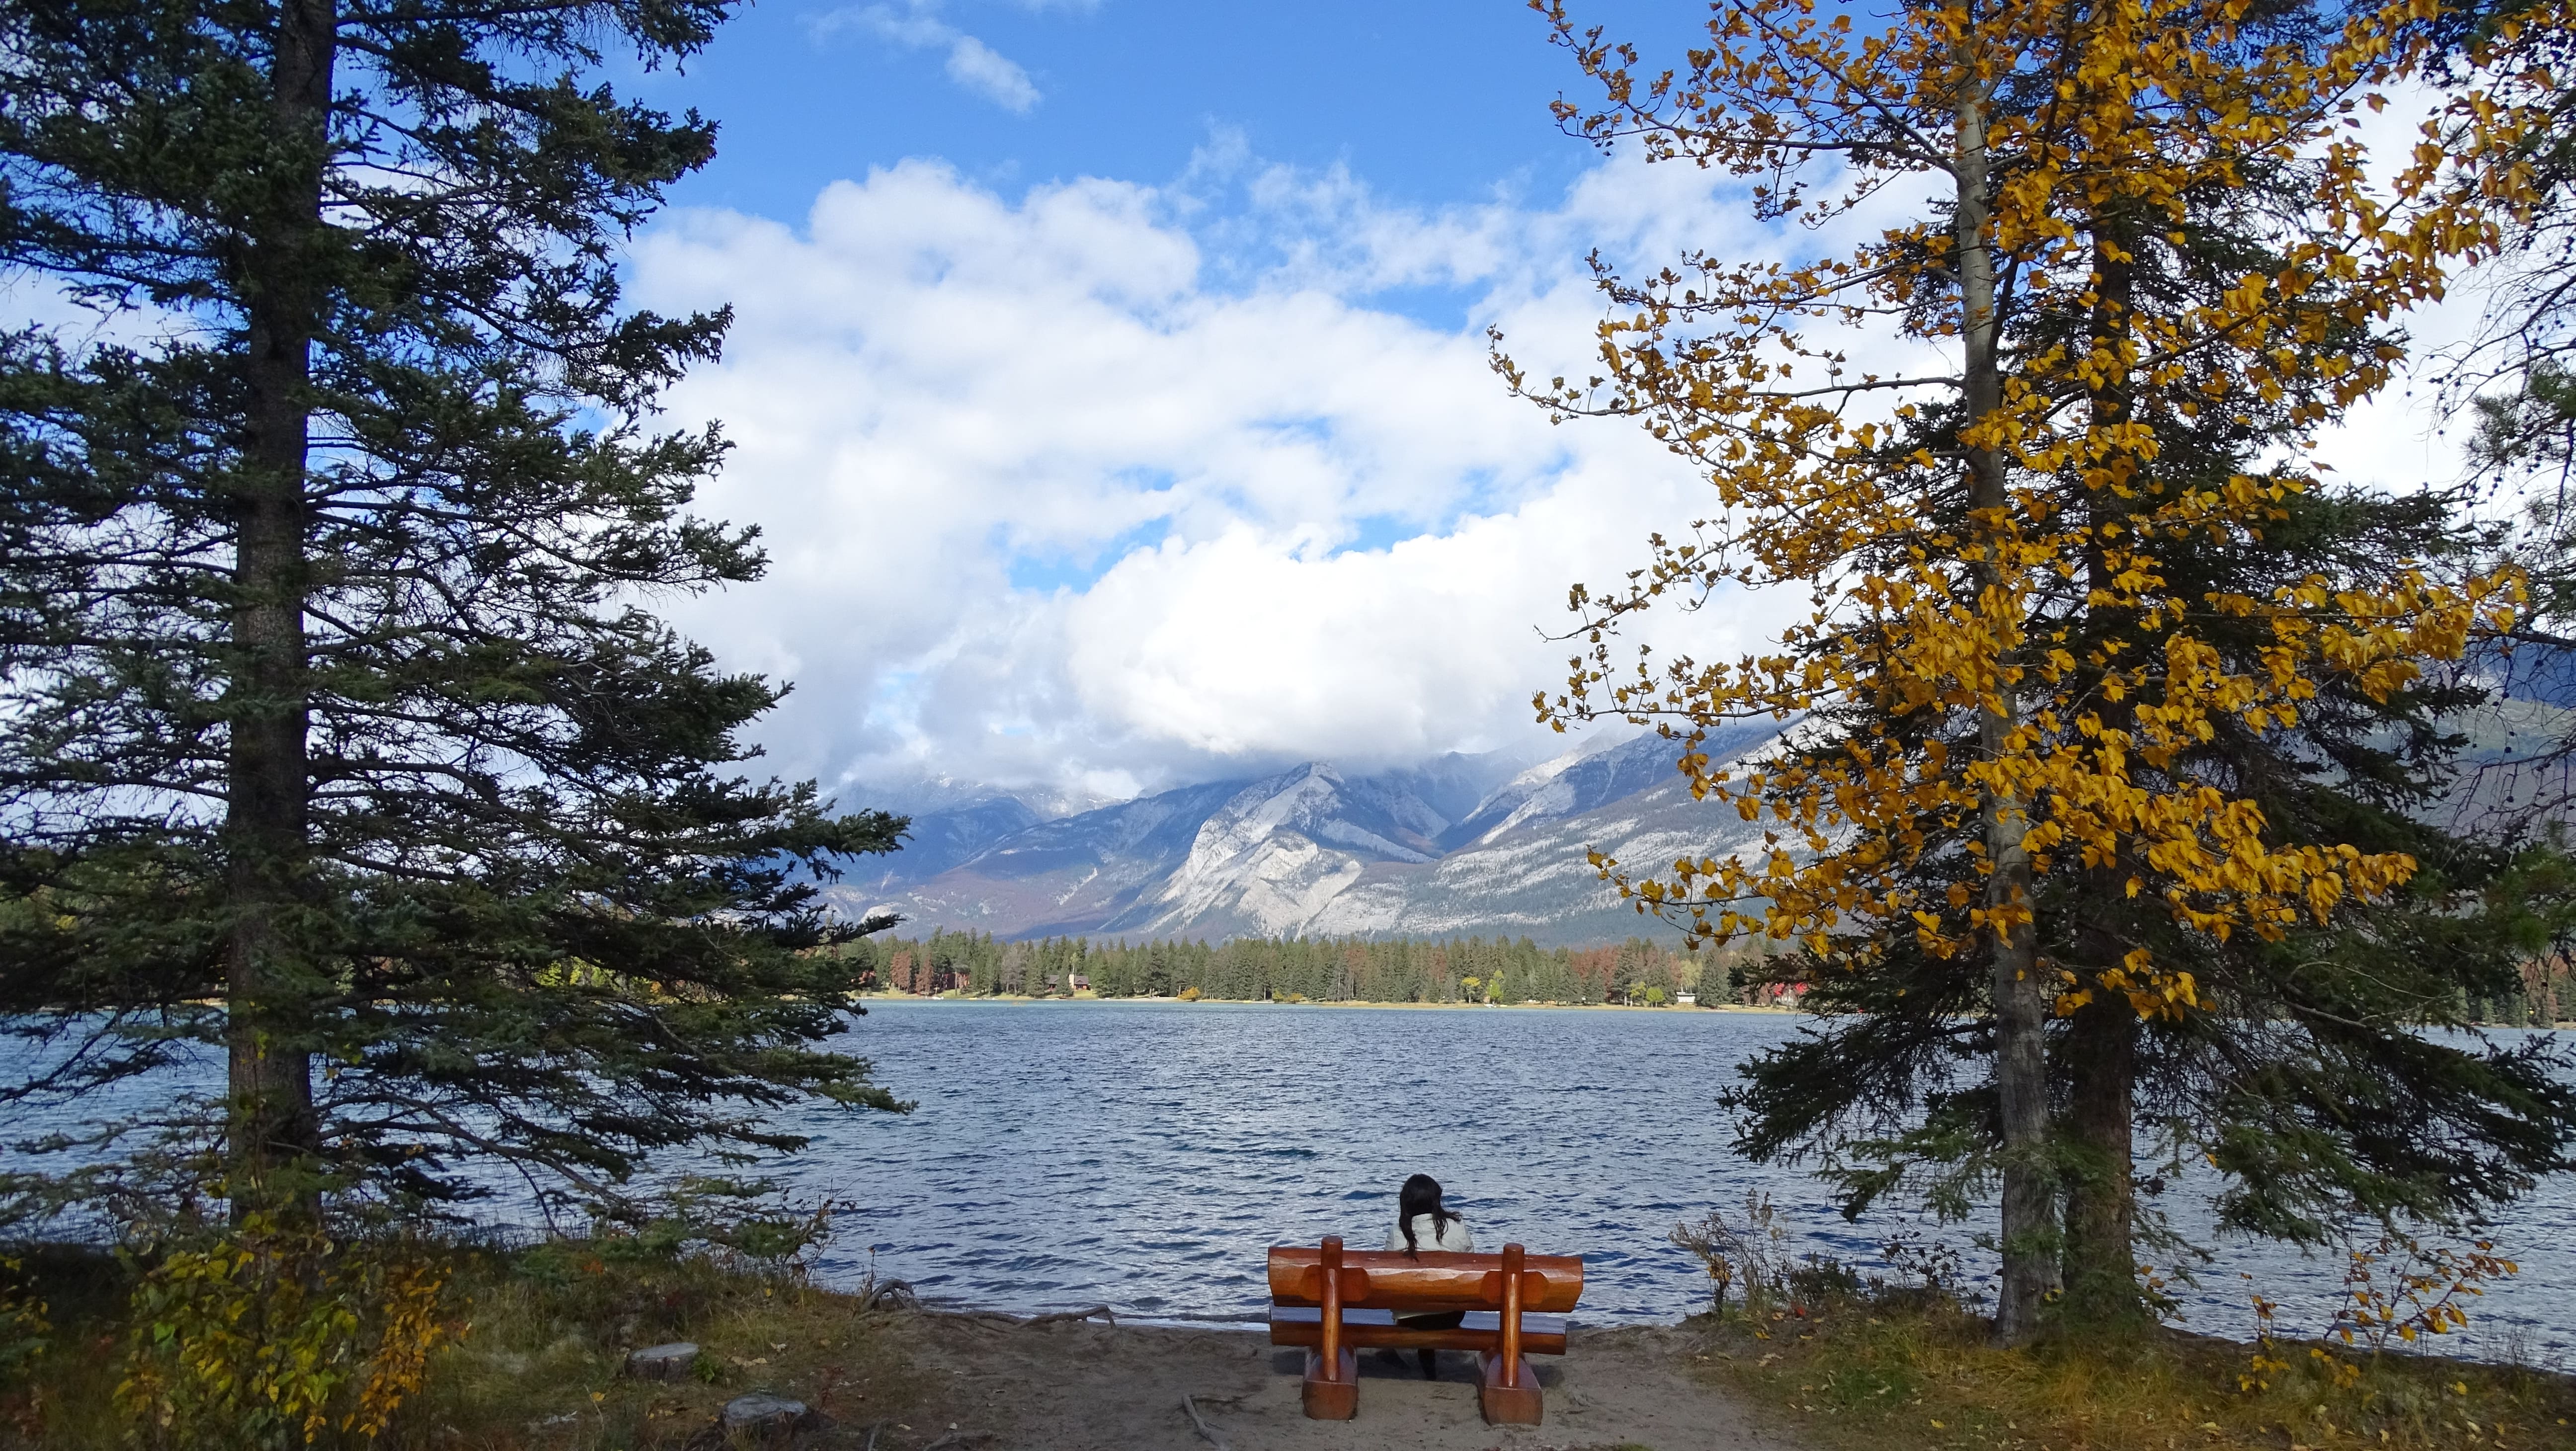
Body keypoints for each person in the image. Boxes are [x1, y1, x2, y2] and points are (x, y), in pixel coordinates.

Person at [1383, 1173, 1472, 1380]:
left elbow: (1388, 1276)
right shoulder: (1457, 1228)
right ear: (1436, 1201)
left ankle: (1420, 1360)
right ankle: (1428, 1365)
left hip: (1410, 1318)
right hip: (1451, 1314)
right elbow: (1471, 1269)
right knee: (1436, 1298)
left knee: (1417, 1299)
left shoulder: (1398, 1232)